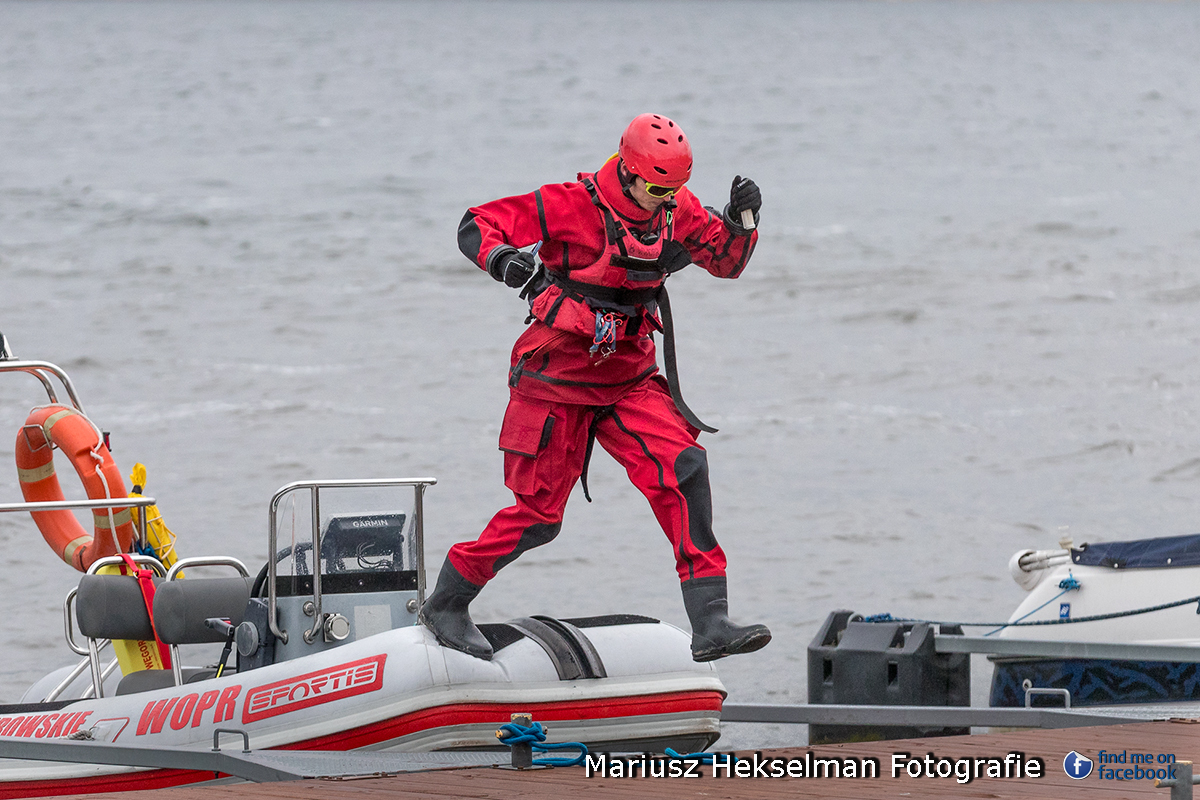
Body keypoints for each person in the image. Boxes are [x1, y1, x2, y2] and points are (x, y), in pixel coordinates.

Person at [420, 113, 770, 663]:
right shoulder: (570, 204)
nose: (666, 201)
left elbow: (725, 262)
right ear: (627, 172)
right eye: (657, 189)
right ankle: (447, 603)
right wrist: (506, 262)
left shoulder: (675, 208)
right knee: (539, 518)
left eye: (674, 190)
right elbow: (476, 224)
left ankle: (711, 623)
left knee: (685, 469)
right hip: (556, 377)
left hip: (627, 375)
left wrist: (742, 222)